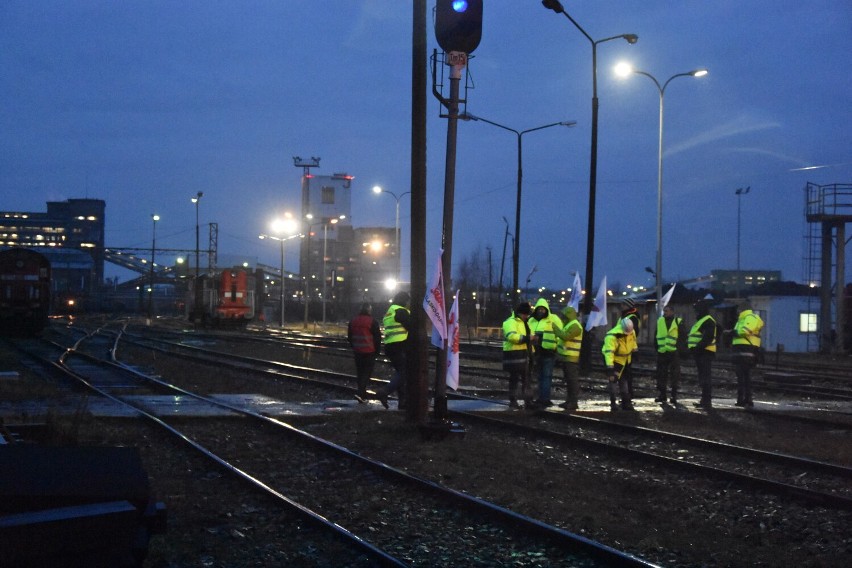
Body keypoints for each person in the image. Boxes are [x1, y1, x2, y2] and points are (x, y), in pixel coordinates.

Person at [376, 291, 411, 409]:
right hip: (400, 345)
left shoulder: (390, 311)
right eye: (408, 301)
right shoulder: (400, 311)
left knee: (401, 374)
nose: (408, 304)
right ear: (404, 301)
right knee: (404, 372)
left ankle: (403, 402)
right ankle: (385, 391)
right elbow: (411, 327)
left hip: (390, 346)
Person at [529, 297, 562, 408]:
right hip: (534, 353)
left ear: (547, 309)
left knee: (546, 376)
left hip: (549, 352)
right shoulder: (531, 320)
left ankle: (545, 398)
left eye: (543, 309)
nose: (541, 311)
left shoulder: (553, 319)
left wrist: (557, 348)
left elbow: (560, 334)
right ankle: (538, 397)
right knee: (538, 376)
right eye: (539, 309)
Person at [731, 302, 764, 408]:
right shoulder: (742, 319)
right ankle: (743, 399)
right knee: (742, 376)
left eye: (738, 309)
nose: (737, 311)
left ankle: (746, 399)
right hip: (741, 351)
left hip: (746, 351)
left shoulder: (750, 318)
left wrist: (733, 333)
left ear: (742, 309)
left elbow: (745, 331)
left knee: (743, 376)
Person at [347, 302, 382, 403]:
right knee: (366, 373)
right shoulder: (372, 321)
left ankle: (362, 395)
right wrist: (377, 351)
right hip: (369, 351)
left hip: (358, 351)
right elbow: (377, 338)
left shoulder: (353, 321)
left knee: (360, 373)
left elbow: (350, 337)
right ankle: (360, 393)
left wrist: (354, 347)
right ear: (368, 310)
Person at [502, 302, 533, 409]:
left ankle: (528, 401)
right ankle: (513, 400)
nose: (527, 316)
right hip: (513, 355)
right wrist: (528, 338)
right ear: (520, 313)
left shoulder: (525, 322)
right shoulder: (510, 322)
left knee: (526, 379)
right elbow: (512, 337)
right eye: (525, 314)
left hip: (524, 355)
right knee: (514, 379)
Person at [601, 317, 638, 411]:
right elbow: (609, 353)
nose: (629, 333)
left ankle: (626, 403)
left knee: (624, 381)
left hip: (626, 361)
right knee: (613, 382)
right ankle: (613, 403)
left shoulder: (631, 331)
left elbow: (633, 342)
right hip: (615, 361)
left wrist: (635, 351)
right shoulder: (612, 336)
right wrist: (610, 368)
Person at [688, 300, 717, 409]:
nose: (695, 312)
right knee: (703, 377)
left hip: (704, 353)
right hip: (702, 353)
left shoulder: (707, 321)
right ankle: (704, 400)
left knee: (705, 378)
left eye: (696, 310)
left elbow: (707, 338)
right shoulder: (703, 321)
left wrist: (696, 349)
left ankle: (706, 401)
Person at [553, 305, 583, 411]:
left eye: (564, 315)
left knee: (572, 381)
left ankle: (573, 402)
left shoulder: (575, 326)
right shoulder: (570, 324)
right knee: (569, 380)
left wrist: (555, 329)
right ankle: (569, 401)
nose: (562, 317)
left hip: (571, 357)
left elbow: (565, 336)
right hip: (566, 357)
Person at [655, 304, 684, 405]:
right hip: (662, 352)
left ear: (672, 311)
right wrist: (657, 348)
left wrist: (679, 350)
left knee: (674, 375)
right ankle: (662, 395)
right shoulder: (660, 321)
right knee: (661, 374)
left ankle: (673, 396)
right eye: (664, 311)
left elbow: (682, 337)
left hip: (673, 352)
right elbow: (656, 335)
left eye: (666, 311)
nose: (665, 313)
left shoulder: (678, 321)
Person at [620, 298, 641, 397]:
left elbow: (632, 333)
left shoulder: (632, 318)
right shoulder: (625, 317)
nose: (622, 306)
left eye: (624, 304)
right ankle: (626, 392)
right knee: (624, 371)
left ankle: (628, 393)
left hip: (627, 348)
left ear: (628, 306)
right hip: (623, 347)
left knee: (626, 372)